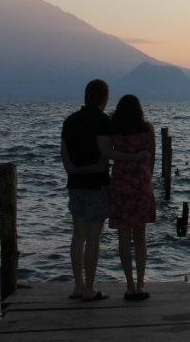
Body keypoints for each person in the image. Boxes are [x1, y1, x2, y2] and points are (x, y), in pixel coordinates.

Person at [61, 80, 147, 302]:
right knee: (93, 237)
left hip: (75, 184)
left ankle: (78, 286)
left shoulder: (70, 121)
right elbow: (104, 153)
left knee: (77, 236)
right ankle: (90, 288)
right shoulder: (102, 121)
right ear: (104, 98)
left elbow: (65, 153)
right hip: (96, 184)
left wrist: (72, 170)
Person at [102, 94, 157, 301]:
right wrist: (147, 177)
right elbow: (152, 157)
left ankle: (129, 284)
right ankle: (142, 283)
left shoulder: (114, 130)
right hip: (141, 182)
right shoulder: (147, 129)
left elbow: (108, 154)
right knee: (141, 237)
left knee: (123, 238)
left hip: (120, 184)